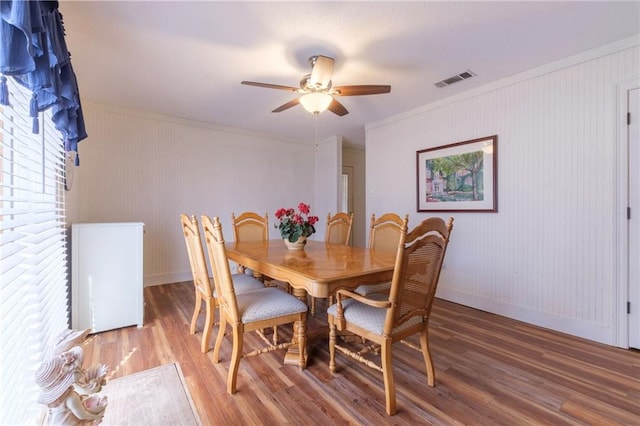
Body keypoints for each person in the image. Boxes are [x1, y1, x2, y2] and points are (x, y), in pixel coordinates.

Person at [36, 347, 108, 425]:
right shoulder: (71, 397)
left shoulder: (56, 399)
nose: (82, 372)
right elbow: (82, 415)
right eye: (78, 370)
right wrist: (96, 416)